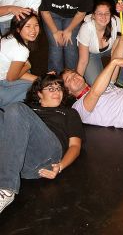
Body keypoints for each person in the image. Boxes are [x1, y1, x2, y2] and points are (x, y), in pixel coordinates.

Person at [0, 73, 83, 214]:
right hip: (23, 164)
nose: (57, 91)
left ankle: (7, 188)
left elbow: (75, 145)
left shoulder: (69, 113)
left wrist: (61, 166)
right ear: (39, 93)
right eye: (51, 88)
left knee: (15, 109)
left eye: (59, 88)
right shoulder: (28, 108)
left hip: (48, 154)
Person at [40, 0, 94, 74]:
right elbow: (44, 11)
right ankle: (55, 80)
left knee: (71, 47)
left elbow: (81, 13)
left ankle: (72, 78)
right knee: (56, 47)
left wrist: (69, 30)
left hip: (72, 17)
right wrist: (55, 32)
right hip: (52, 15)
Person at [76, 0, 123, 85]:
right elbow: (83, 61)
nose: (104, 17)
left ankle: (121, 77)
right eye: (100, 13)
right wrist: (78, 83)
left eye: (107, 13)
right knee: (96, 84)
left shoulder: (114, 21)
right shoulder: (86, 28)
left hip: (111, 49)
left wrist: (120, 39)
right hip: (91, 55)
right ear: (93, 16)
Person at [0, 11, 41, 108]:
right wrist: (27, 66)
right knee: (34, 91)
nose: (33, 30)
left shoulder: (10, 36)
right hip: (3, 81)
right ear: (18, 29)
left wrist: (40, 80)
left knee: (39, 83)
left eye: (36, 25)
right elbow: (11, 78)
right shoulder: (21, 49)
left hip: (5, 74)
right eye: (28, 26)